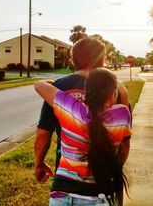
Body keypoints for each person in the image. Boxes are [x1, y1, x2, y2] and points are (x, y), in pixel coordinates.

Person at [34, 37, 130, 184]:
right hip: (105, 174)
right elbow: (125, 142)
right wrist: (117, 168)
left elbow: (43, 133)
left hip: (67, 169)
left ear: (73, 60)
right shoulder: (117, 89)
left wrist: (39, 163)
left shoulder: (58, 88)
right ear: (102, 59)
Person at [34, 68, 131, 205]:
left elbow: (39, 85)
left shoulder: (69, 108)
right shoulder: (122, 114)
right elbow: (125, 147)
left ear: (86, 93)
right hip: (99, 196)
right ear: (112, 95)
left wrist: (54, 83)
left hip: (62, 195)